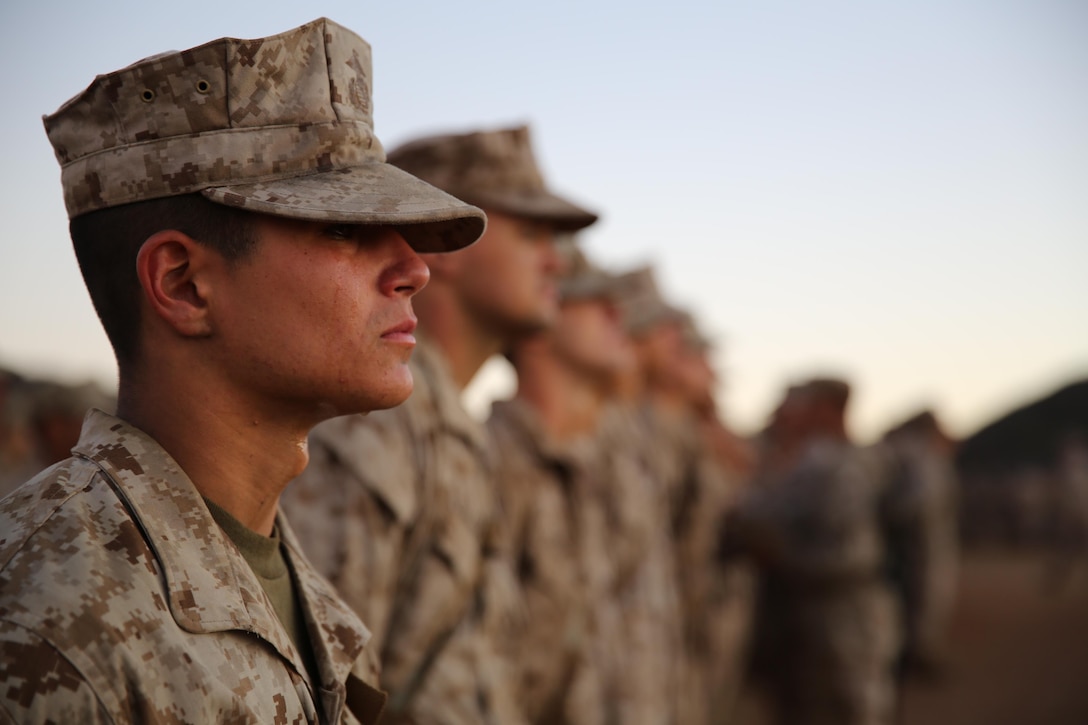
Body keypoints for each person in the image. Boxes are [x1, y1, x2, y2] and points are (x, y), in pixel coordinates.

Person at [0, 17, 487, 723]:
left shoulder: (310, 602)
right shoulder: (46, 622)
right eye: (343, 229)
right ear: (184, 284)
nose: (415, 269)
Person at [281, 124, 598, 724]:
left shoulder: (449, 426)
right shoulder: (372, 422)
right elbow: (328, 690)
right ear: (442, 245)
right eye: (530, 234)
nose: (556, 261)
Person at [487, 246, 630, 724]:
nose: (618, 316)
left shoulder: (580, 466)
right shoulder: (492, 463)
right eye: (593, 302)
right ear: (538, 332)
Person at [727, 378, 899, 725]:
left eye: (793, 405)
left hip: (837, 621)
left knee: (839, 710)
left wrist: (775, 553)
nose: (780, 414)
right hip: (813, 619)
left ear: (823, 410)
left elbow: (845, 553)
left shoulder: (831, 465)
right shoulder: (811, 459)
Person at [879, 410, 960, 679]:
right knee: (925, 596)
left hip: (920, 538)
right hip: (923, 541)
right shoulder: (919, 454)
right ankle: (919, 655)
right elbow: (921, 501)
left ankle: (918, 653)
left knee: (920, 596)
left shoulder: (912, 452)